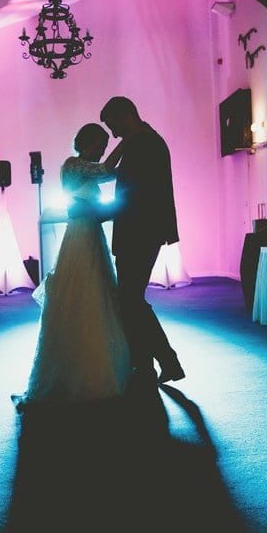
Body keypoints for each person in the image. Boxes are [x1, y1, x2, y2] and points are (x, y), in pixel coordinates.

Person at [14, 123, 129, 410]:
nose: (103, 150)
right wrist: (128, 142)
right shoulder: (74, 165)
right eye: (101, 145)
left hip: (89, 233)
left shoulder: (81, 167)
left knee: (96, 289)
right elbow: (106, 171)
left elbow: (109, 172)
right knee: (83, 289)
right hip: (80, 235)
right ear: (88, 143)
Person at [98, 96, 185, 386]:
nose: (111, 133)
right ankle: (150, 364)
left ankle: (160, 362)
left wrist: (99, 214)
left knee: (130, 301)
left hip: (139, 232)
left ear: (125, 116)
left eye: (112, 124)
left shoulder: (143, 144)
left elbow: (133, 194)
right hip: (144, 231)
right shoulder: (146, 140)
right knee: (132, 301)